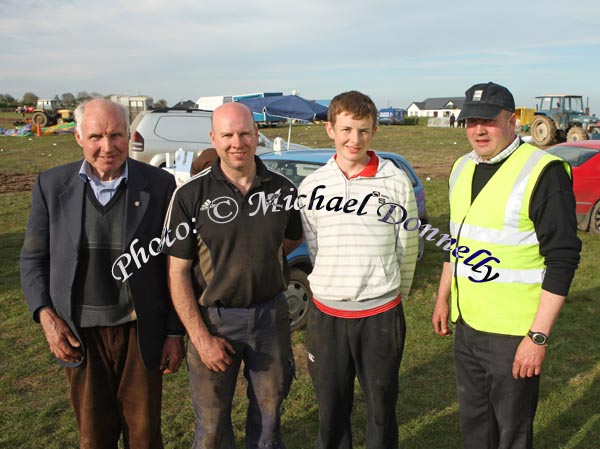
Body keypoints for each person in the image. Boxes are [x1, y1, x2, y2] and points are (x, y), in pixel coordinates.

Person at [20, 98, 185, 449]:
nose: (107, 147)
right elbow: (33, 259)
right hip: (81, 334)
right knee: (94, 437)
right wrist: (46, 316)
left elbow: (174, 265)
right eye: (96, 136)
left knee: (144, 436)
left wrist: (173, 332)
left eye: (116, 135)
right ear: (78, 137)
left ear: (129, 135)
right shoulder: (51, 186)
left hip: (140, 330)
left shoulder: (160, 185)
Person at [431, 82, 581, 449]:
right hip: (467, 327)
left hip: (515, 335)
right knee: (475, 428)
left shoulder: (543, 172)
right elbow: (458, 240)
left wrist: (538, 337)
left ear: (512, 122)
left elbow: (563, 259)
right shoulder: (462, 167)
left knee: (512, 433)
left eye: (489, 121)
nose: (478, 130)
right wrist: (442, 296)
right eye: (470, 121)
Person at [163, 102, 303, 449]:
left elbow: (292, 236)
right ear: (213, 138)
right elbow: (177, 272)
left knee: (269, 419)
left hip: (270, 318)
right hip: (215, 322)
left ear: (258, 136)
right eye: (227, 135)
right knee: (211, 427)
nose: (236, 142)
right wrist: (200, 337)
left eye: (244, 133)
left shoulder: (283, 190)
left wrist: (259, 262)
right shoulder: (189, 196)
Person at [298, 90, 419, 449]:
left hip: (380, 315)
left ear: (374, 131)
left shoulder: (395, 181)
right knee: (331, 411)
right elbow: (315, 246)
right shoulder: (312, 186)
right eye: (347, 129)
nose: (355, 139)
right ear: (330, 130)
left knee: (382, 409)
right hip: (327, 317)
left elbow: (407, 247)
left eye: (364, 130)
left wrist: (393, 292)